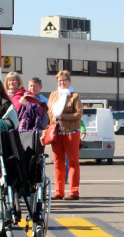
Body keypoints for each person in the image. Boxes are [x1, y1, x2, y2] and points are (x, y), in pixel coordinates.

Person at [47, 70, 82, 200]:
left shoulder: (74, 96)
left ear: (69, 81)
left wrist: (62, 116)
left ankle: (74, 192)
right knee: (58, 163)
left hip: (71, 133)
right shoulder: (53, 95)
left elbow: (78, 115)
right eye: (60, 80)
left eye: (65, 80)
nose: (62, 82)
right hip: (57, 133)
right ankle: (59, 191)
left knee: (73, 162)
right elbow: (49, 113)